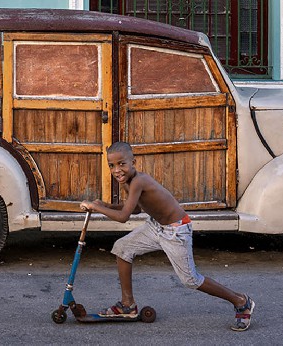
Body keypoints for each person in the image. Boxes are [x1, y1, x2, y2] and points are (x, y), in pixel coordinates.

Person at [80, 141, 256, 331]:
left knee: (191, 280)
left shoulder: (139, 180)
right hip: (157, 226)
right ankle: (127, 304)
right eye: (111, 166)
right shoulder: (127, 182)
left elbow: (123, 218)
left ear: (133, 162)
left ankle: (241, 301)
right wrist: (105, 205)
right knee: (122, 248)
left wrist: (97, 207)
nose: (117, 170)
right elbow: (136, 210)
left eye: (122, 163)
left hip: (176, 230)